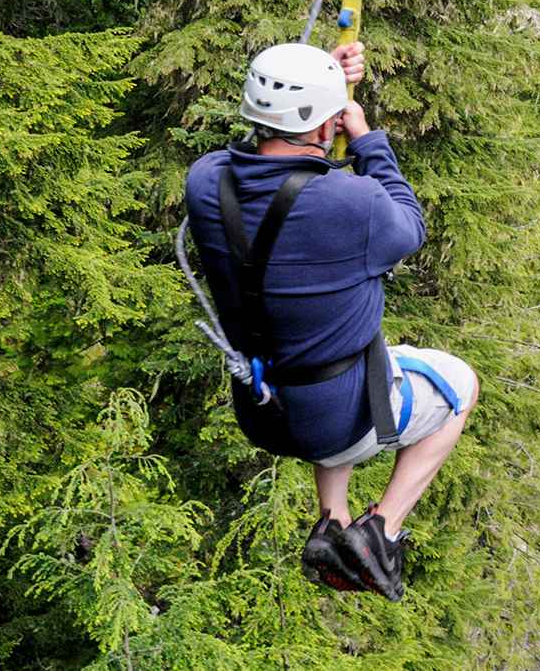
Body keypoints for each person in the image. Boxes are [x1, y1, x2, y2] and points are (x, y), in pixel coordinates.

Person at [183, 41, 478, 598]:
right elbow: (409, 224)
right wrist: (364, 137)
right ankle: (381, 531)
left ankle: (333, 519)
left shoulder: (205, 182)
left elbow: (263, 155)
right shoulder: (351, 204)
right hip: (338, 420)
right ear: (325, 129)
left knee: (330, 350)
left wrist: (324, 88)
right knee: (460, 384)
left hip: (264, 411)